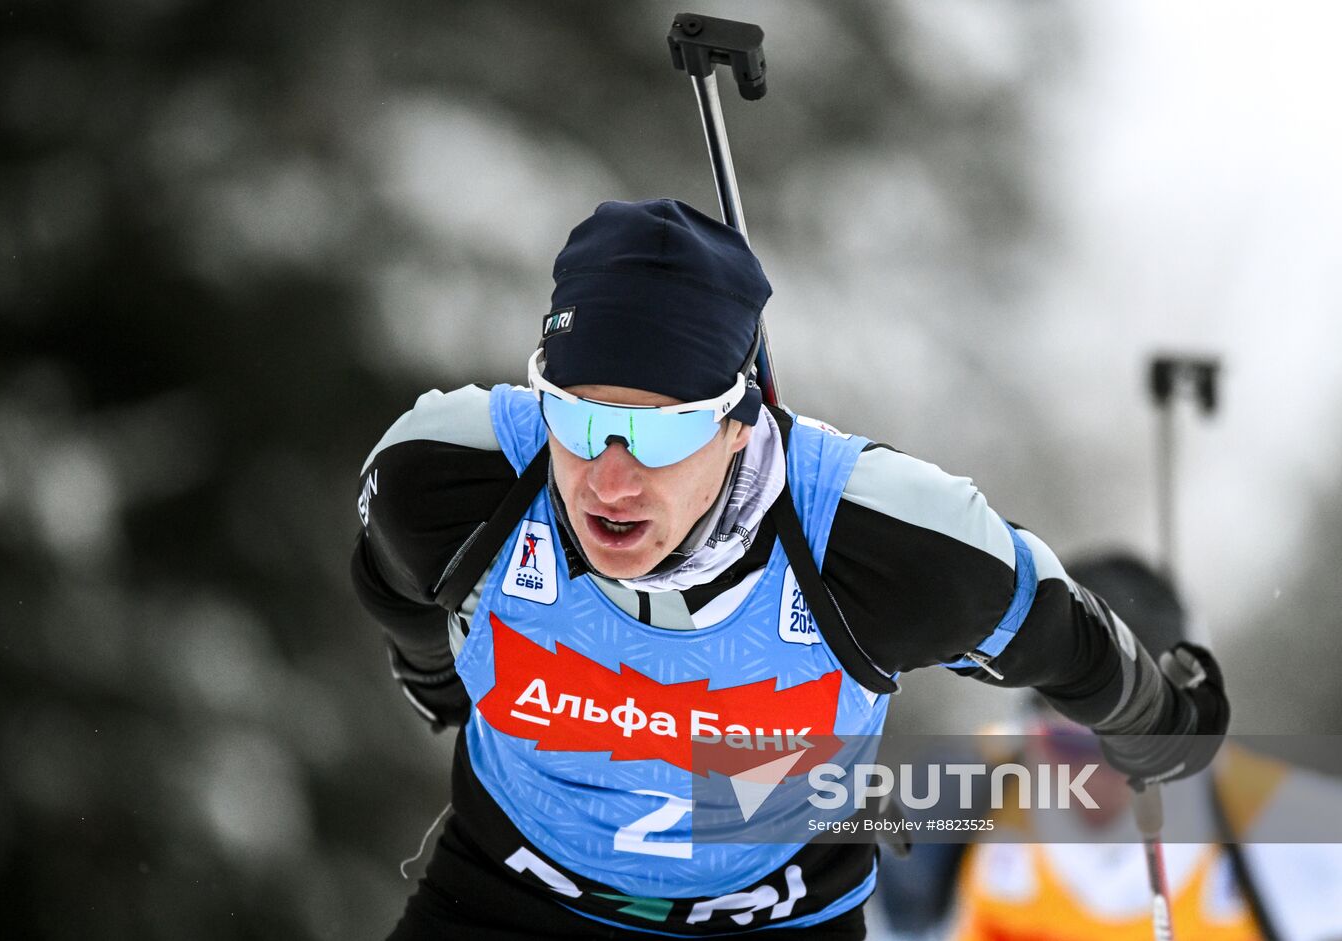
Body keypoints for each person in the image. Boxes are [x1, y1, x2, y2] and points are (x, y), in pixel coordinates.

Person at [350, 198, 1230, 939]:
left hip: (778, 915)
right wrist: (434, 675)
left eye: (659, 431)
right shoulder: (453, 476)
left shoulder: (882, 541)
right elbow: (397, 584)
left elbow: (1062, 639)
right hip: (504, 901)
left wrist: (1160, 718)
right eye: (578, 419)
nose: (608, 478)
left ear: (740, 419)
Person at [871, 552, 1342, 941]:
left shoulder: (1282, 826)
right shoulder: (963, 793)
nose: (1095, 777)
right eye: (1070, 746)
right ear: (1030, 725)